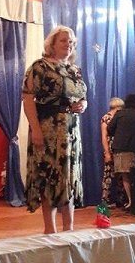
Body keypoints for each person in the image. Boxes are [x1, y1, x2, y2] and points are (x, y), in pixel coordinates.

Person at [22, 26, 88, 234]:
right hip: (48, 129)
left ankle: (69, 228)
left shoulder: (74, 70)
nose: (68, 45)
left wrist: (83, 105)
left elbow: (82, 97)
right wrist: (35, 129)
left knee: (69, 177)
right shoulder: (39, 67)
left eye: (71, 42)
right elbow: (27, 98)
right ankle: (50, 230)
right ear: (52, 43)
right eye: (63, 41)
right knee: (49, 177)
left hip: (71, 132)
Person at [107, 94, 135, 212]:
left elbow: (109, 129)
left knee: (125, 176)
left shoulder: (120, 114)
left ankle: (131, 202)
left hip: (121, 148)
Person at [101, 97, 125, 206]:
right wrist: (107, 153)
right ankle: (105, 201)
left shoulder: (120, 118)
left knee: (121, 174)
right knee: (108, 175)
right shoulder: (106, 118)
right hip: (110, 148)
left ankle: (121, 200)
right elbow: (104, 136)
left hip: (119, 147)